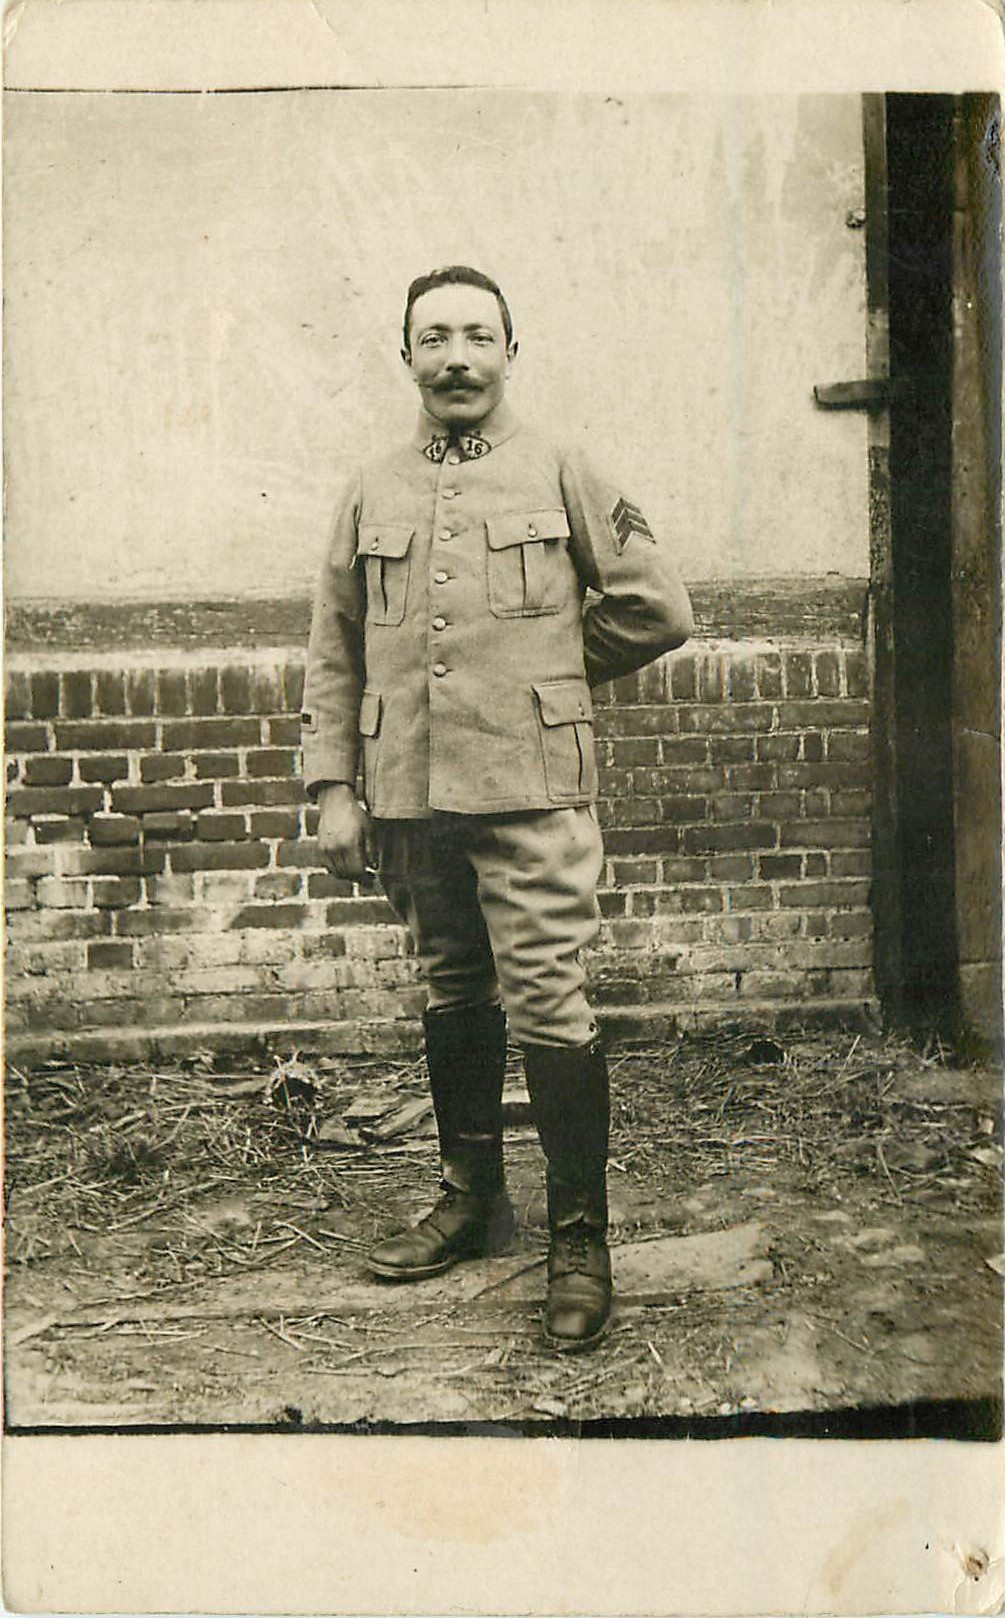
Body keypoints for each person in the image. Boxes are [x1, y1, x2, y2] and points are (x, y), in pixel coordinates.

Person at [302, 265, 693, 1351]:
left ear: (511, 350)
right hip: (411, 796)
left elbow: (658, 606)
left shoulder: (562, 465)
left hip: (530, 793)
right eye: (435, 338)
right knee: (451, 988)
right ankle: (475, 1201)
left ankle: (581, 1240)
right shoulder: (372, 486)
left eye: (479, 335)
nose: (457, 356)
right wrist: (337, 787)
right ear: (408, 357)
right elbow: (334, 644)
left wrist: (543, 683)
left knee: (549, 1001)